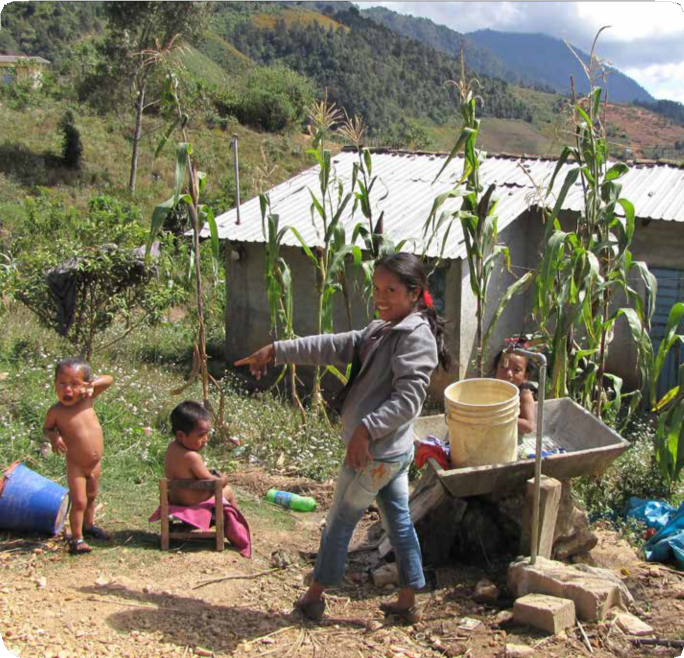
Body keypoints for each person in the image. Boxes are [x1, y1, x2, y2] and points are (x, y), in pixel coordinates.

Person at [235, 252, 450, 624]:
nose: (380, 296)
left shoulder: (415, 338)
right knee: (398, 520)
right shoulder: (383, 328)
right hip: (389, 454)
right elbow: (332, 345)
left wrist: (365, 429)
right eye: (376, 287)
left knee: (339, 520)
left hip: (374, 455)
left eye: (391, 289)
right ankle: (409, 598)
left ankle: (315, 598)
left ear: (415, 293)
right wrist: (277, 351)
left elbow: (409, 400)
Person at [43, 358, 113, 555]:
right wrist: (54, 437)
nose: (68, 390)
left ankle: (89, 526)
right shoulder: (56, 411)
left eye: (74, 384)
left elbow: (109, 379)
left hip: (95, 463)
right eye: (62, 384)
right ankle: (77, 538)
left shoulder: (87, 399)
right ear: (55, 384)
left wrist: (91, 386)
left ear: (84, 385)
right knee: (79, 501)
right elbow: (47, 429)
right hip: (76, 464)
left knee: (91, 497)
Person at [164, 401, 238, 510]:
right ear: (181, 435)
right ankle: (236, 524)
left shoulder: (171, 447)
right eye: (201, 435)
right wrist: (223, 479)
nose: (206, 439)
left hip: (176, 499)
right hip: (194, 503)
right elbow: (212, 484)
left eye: (206, 434)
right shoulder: (192, 457)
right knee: (228, 491)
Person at [493, 344, 535, 435]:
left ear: (525, 376)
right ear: (495, 368)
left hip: (513, 439)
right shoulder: (491, 388)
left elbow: (529, 427)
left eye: (516, 370)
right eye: (504, 367)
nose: (509, 374)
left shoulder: (524, 394)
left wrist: (502, 417)